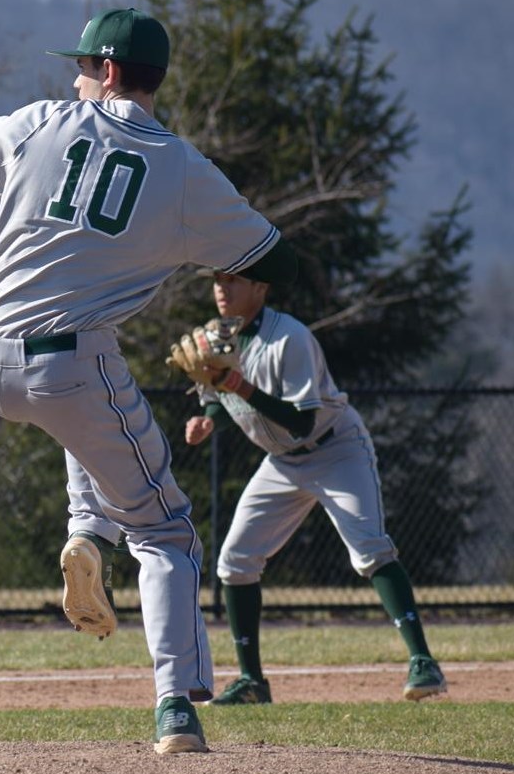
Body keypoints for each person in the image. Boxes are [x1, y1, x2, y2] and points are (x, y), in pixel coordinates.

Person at [0, 7, 317, 754]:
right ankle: (176, 704)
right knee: (166, 530)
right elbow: (279, 262)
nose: (71, 75)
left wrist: (7, 181)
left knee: (92, 412)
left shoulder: (40, 120)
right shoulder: (182, 170)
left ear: (105, 72)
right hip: (68, 364)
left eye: (80, 64)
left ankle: (84, 534)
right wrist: (201, 248)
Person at [185, 271, 449, 704]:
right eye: (216, 280)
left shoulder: (290, 338)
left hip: (336, 449)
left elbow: (302, 419)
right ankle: (253, 682)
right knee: (235, 562)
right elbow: (214, 393)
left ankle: (423, 662)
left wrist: (238, 385)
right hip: (283, 462)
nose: (220, 288)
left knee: (369, 548)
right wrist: (208, 418)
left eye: (233, 280)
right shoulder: (214, 337)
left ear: (261, 287)